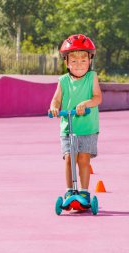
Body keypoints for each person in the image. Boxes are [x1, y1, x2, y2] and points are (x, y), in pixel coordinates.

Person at [49, 34, 102, 204]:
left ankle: (84, 192)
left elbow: (97, 97)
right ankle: (69, 191)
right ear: (66, 62)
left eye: (83, 60)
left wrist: (86, 103)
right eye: (74, 60)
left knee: (83, 159)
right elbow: (57, 99)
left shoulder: (91, 77)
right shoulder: (63, 81)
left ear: (90, 60)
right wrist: (54, 107)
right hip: (68, 127)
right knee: (69, 158)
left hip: (87, 127)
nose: (79, 64)